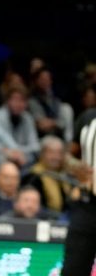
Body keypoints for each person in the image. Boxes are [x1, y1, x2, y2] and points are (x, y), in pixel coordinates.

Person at [62, 108, 96, 275]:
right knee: (73, 269)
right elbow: (67, 157)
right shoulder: (88, 117)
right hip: (88, 204)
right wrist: (77, 167)